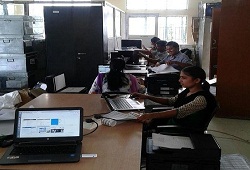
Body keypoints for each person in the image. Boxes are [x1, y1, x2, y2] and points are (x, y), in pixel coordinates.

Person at [131, 66, 217, 130]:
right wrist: (146, 96)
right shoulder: (188, 91)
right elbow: (170, 101)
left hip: (183, 128)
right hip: (174, 122)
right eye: (180, 77)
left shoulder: (202, 99)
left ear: (197, 80)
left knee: (139, 130)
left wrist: (150, 115)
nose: (179, 80)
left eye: (184, 78)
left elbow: (178, 111)